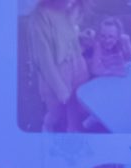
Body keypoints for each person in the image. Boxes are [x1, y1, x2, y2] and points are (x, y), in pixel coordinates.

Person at [25, 0, 89, 132]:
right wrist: (61, 90)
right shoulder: (40, 19)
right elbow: (44, 61)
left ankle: (74, 128)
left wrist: (81, 38)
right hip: (58, 73)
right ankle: (47, 127)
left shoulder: (67, 9)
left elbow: (67, 37)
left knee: (75, 105)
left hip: (77, 67)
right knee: (56, 111)